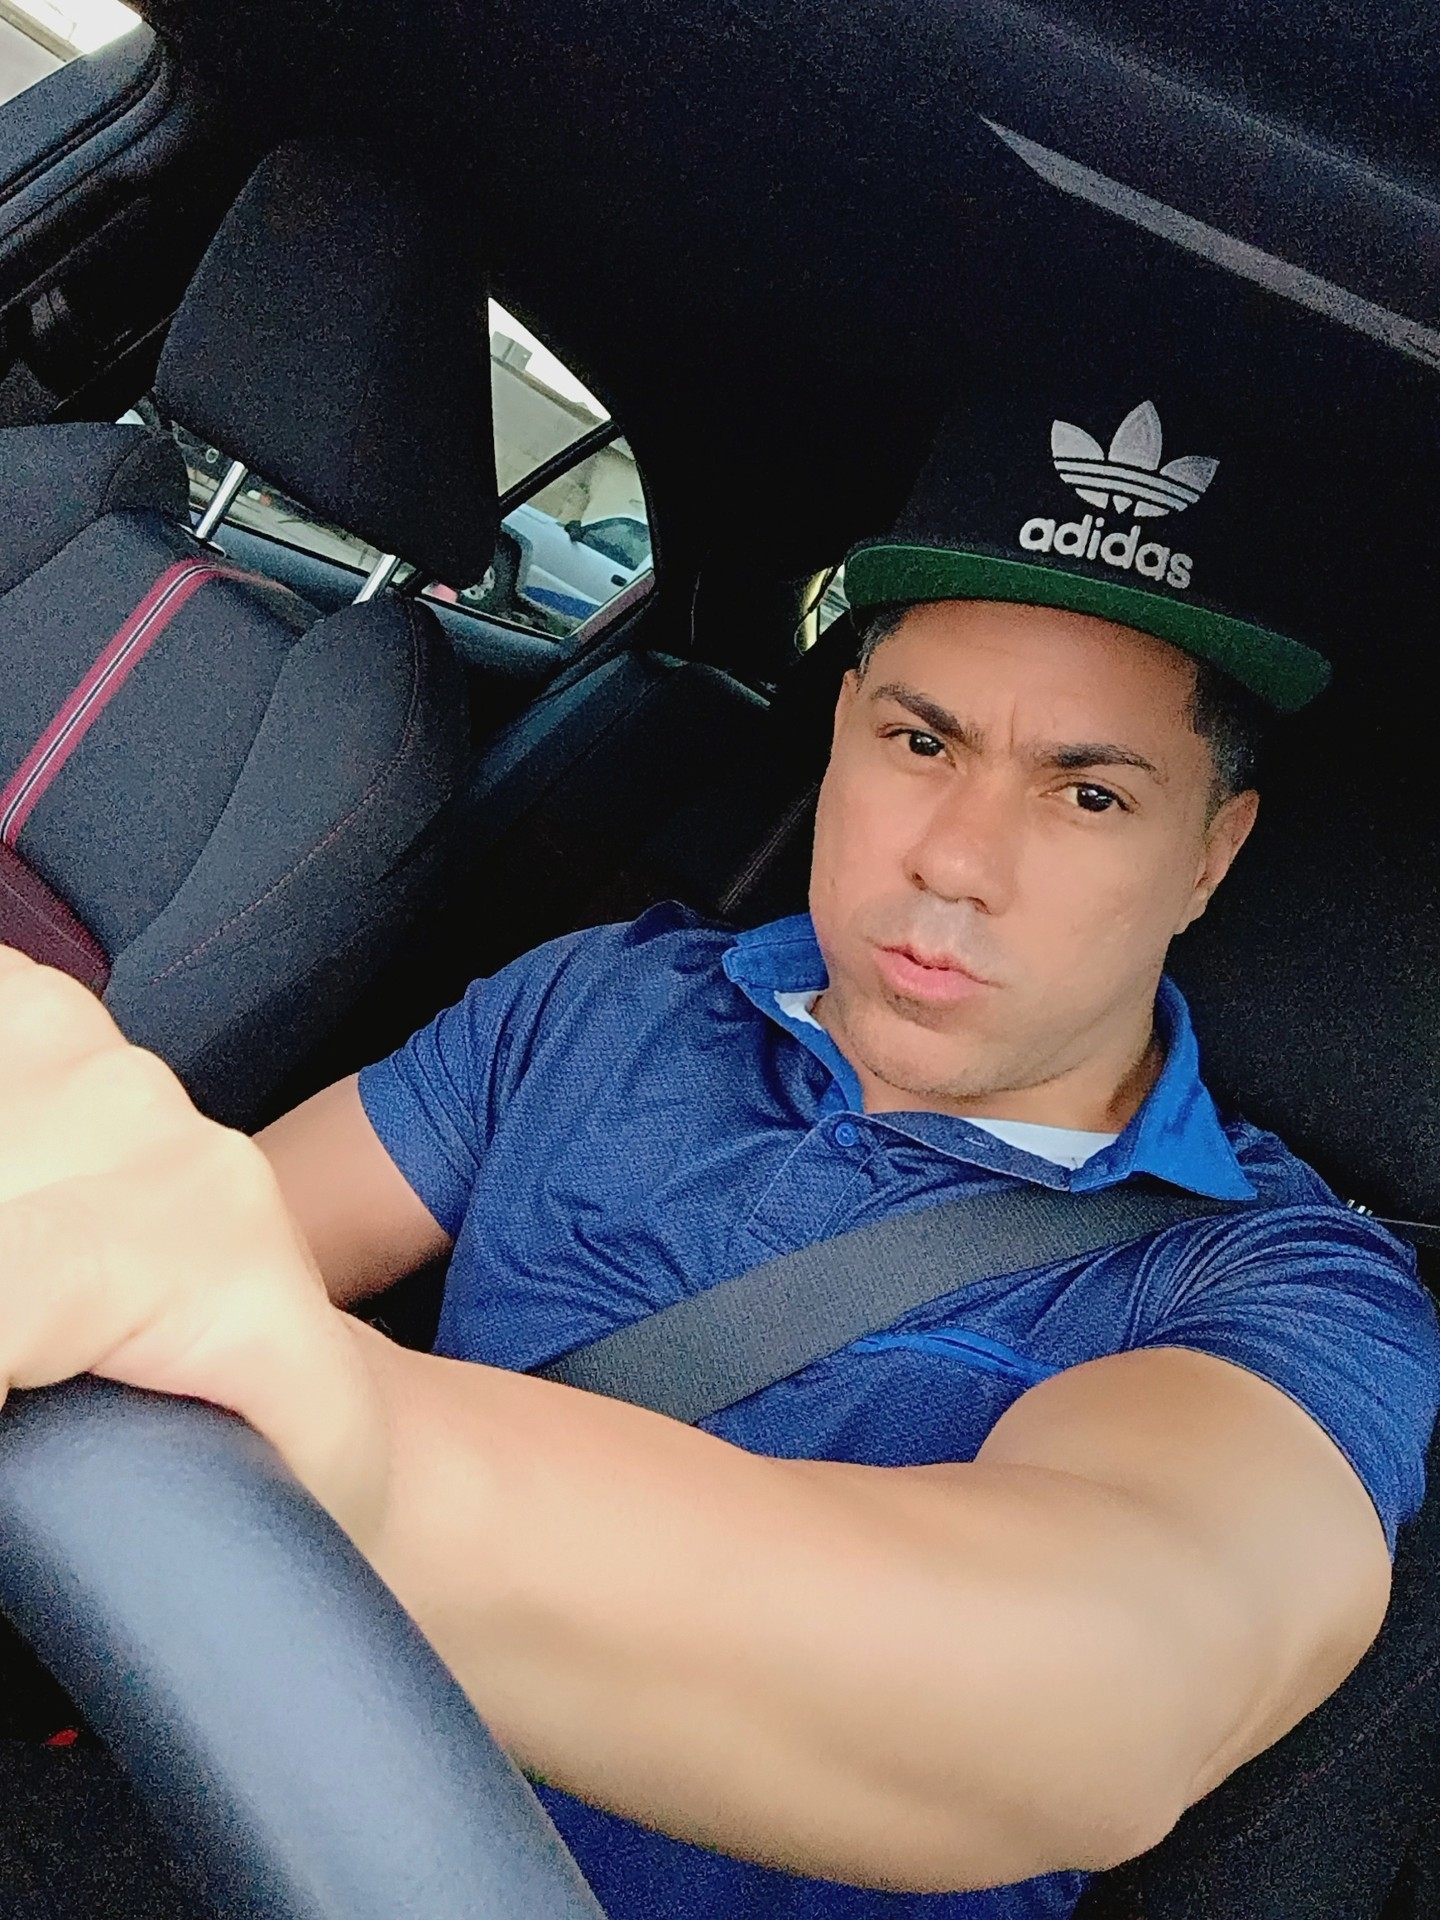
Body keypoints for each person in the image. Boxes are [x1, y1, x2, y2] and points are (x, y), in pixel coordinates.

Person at [1, 340, 1438, 1920]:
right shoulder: (607, 999)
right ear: (841, 733)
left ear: (1211, 855)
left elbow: (1111, 1679)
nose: (959, 860)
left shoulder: (1281, 1283)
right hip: (206, 1803)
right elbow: (201, 1252)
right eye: (922, 742)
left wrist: (350, 1441)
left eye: (1088, 795)